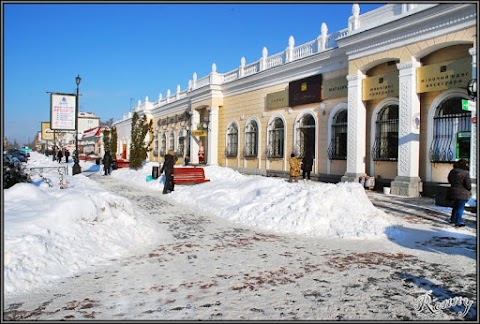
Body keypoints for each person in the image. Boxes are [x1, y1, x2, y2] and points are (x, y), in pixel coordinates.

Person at [448, 158, 472, 227]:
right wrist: (469, 189)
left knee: (455, 206)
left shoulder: (453, 171)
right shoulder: (465, 172)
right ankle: (458, 222)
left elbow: (449, 180)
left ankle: (453, 219)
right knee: (460, 207)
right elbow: (467, 184)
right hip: (463, 193)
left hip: (453, 191)